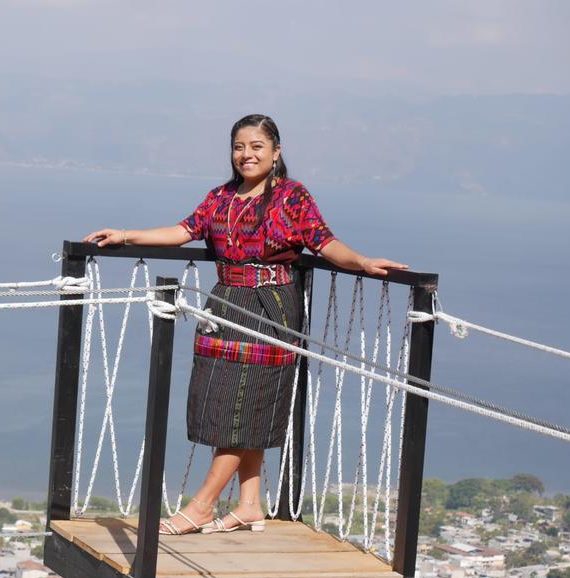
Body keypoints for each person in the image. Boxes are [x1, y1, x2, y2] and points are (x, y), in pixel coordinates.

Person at [83, 114, 406, 535]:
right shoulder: (220, 197)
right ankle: (251, 503)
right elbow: (183, 231)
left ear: (276, 151)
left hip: (272, 306)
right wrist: (126, 235)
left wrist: (361, 261)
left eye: (256, 146)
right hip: (226, 302)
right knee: (226, 404)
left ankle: (202, 505)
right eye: (239, 146)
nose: (246, 155)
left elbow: (324, 243)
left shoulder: (292, 196)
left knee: (246, 403)